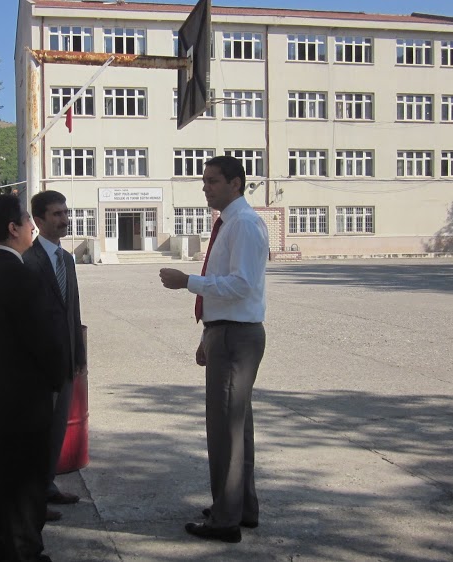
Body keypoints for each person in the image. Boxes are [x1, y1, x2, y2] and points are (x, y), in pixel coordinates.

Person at [158, 155, 269, 544]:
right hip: (226, 332)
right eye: (204, 181)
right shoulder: (229, 223)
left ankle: (225, 520)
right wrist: (208, 335)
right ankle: (241, 507)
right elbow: (231, 288)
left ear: (236, 183)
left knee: (225, 429)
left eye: (213, 181)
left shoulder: (244, 224)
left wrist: (189, 281)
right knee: (236, 427)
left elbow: (241, 285)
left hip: (237, 336)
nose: (205, 187)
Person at [0, 194, 64, 562]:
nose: (32, 227)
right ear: (13, 228)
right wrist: (57, 379)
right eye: (28, 220)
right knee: (23, 495)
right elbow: (45, 341)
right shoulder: (20, 275)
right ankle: (25, 555)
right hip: (22, 407)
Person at [23, 190, 88, 521]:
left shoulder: (66, 259)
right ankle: (31, 498)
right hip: (38, 367)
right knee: (36, 432)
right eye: (56, 214)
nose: (64, 219)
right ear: (38, 220)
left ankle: (47, 486)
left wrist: (79, 356)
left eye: (65, 212)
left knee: (56, 430)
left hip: (64, 362)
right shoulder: (27, 261)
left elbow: (72, 311)